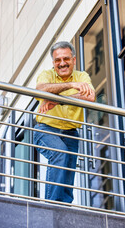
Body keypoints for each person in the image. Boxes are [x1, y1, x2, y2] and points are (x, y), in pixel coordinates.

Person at [33, 41, 95, 203]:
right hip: (45, 129)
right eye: (57, 60)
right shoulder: (47, 75)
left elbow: (90, 97)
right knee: (60, 153)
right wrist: (71, 85)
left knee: (68, 172)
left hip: (71, 133)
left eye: (66, 59)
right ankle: (51, 207)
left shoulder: (82, 76)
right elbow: (40, 90)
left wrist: (57, 101)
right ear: (53, 63)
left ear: (74, 60)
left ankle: (64, 211)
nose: (62, 63)